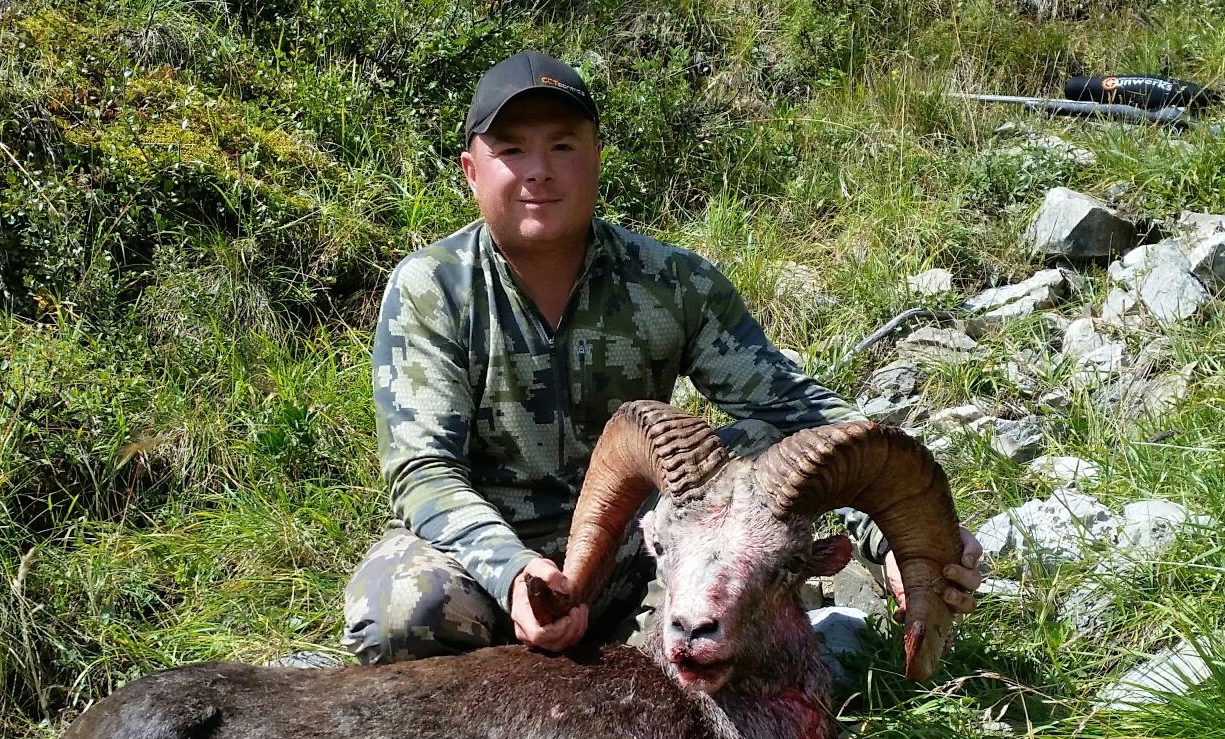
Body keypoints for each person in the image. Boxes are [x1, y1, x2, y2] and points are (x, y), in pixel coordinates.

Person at [343, 50, 981, 665]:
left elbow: (799, 415)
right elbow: (423, 470)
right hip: (498, 554)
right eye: (511, 149)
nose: (538, 170)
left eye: (563, 145)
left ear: (596, 158)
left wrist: (898, 540)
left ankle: (693, 641)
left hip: (653, 548)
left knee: (763, 444)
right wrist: (513, 573)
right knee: (397, 609)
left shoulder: (671, 283)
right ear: (471, 170)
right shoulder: (433, 289)